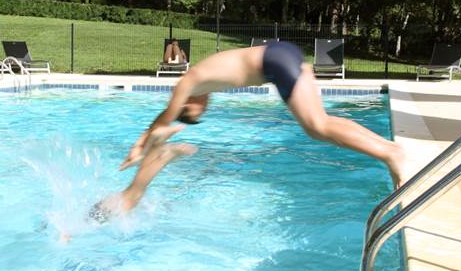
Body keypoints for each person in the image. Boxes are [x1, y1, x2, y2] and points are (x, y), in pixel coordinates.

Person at [115, 42, 407, 213]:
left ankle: (390, 154)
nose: (203, 108)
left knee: (316, 126)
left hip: (273, 62)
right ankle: (389, 148)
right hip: (281, 55)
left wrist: (139, 147)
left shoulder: (188, 83)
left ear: (186, 103)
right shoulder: (200, 81)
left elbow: (165, 117)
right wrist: (141, 143)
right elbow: (165, 116)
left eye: (193, 112)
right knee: (320, 123)